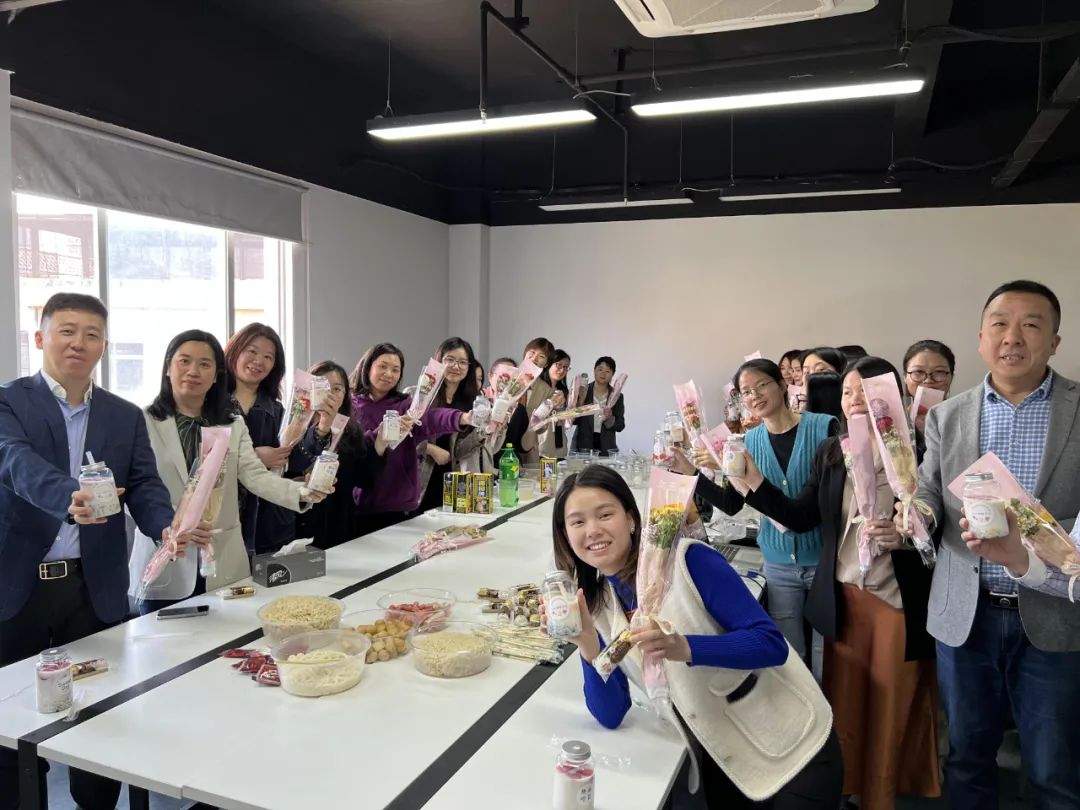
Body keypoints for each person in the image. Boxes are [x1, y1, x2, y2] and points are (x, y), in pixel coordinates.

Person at [548, 465, 842, 809]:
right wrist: (588, 645)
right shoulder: (601, 604)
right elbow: (610, 714)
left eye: (604, 514)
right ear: (565, 536)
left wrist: (685, 646)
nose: (593, 530)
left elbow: (770, 643)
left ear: (631, 518)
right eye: (578, 522)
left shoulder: (688, 561)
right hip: (725, 759)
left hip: (793, 748)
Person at [0, 293, 191, 810]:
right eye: (66, 331)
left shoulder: (123, 415)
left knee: (101, 714)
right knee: (11, 719)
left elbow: (144, 483)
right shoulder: (9, 401)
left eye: (91, 334)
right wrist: (69, 497)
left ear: (104, 346)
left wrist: (166, 527)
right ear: (40, 338)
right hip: (17, 586)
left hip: (93, 586)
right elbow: (12, 459)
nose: (78, 343)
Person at [728, 357, 940, 810]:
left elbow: (938, 523)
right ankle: (844, 791)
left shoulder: (917, 450)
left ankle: (880, 796)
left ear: (892, 394)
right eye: (847, 392)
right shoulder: (834, 451)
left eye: (866, 391)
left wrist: (907, 534)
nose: (855, 400)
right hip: (845, 600)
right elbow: (801, 516)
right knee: (844, 707)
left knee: (887, 710)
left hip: (894, 604)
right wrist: (750, 480)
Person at [899, 280, 1080, 809]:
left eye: (1031, 325)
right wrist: (918, 513)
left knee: (1053, 768)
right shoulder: (948, 414)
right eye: (999, 324)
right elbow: (929, 489)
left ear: (1054, 341)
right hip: (966, 613)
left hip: (1054, 612)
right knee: (967, 758)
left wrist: (1041, 543)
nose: (1012, 337)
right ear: (981, 338)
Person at [128, 330, 326, 611]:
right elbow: (134, 490)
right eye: (184, 361)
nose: (193, 371)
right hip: (166, 562)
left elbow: (255, 475)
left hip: (223, 562)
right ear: (168, 367)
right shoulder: (141, 422)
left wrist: (304, 492)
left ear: (216, 375)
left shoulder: (232, 424)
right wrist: (170, 525)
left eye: (204, 364)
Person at [673, 359, 836, 662]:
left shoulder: (824, 427)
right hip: (778, 564)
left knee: (826, 652)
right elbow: (731, 503)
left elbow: (821, 504)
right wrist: (691, 473)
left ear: (783, 385)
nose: (754, 395)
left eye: (762, 385)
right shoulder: (747, 442)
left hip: (824, 561)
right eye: (746, 392)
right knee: (791, 652)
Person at [348, 343, 475, 535]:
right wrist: (379, 435)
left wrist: (463, 418)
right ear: (367, 367)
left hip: (399, 505)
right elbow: (351, 449)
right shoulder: (350, 407)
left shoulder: (406, 406)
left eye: (395, 370)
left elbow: (432, 418)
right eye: (383, 366)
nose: (389, 374)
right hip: (359, 505)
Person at [225, 322, 305, 554]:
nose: (259, 361)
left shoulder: (278, 411)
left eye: (268, 357)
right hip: (221, 518)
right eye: (251, 351)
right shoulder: (211, 404)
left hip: (268, 523)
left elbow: (293, 461)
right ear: (235, 350)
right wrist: (253, 457)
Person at [294, 360, 388, 548]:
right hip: (298, 524)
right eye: (323, 387)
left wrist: (380, 444)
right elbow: (293, 466)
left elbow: (364, 479)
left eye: (337, 389)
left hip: (338, 525)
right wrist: (322, 428)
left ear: (345, 395)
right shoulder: (293, 425)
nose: (330, 395)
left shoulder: (351, 429)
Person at [415, 338, 502, 512]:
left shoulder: (471, 403)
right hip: (420, 476)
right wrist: (430, 448)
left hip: (452, 479)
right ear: (439, 361)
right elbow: (404, 438)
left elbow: (460, 451)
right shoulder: (418, 395)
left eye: (462, 362)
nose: (456, 366)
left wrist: (486, 429)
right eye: (450, 360)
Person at [505, 337, 559, 462]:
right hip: (502, 442)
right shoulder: (508, 377)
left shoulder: (546, 390)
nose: (534, 358)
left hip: (527, 447)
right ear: (525, 354)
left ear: (546, 364)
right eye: (532, 352)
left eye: (541, 356)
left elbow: (542, 428)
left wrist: (540, 423)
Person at [902, 339, 956, 441]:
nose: (928, 380)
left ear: (951, 377)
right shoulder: (891, 422)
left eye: (939, 372)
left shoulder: (964, 419)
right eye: (918, 371)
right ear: (905, 377)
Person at [572, 356, 625, 456]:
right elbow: (573, 421)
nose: (603, 374)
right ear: (594, 370)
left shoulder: (617, 396)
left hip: (606, 447)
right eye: (600, 369)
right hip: (583, 447)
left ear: (613, 374)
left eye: (607, 371)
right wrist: (581, 401)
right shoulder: (583, 391)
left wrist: (609, 418)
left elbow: (620, 425)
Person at [533, 348, 572, 460]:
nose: (562, 370)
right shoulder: (538, 388)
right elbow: (534, 418)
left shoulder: (563, 391)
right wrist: (551, 403)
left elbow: (567, 422)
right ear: (549, 364)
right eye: (558, 365)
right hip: (541, 448)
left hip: (559, 448)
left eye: (566, 367)